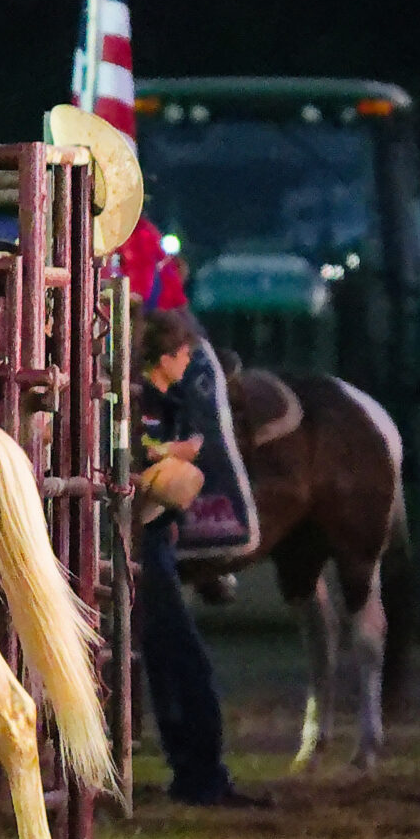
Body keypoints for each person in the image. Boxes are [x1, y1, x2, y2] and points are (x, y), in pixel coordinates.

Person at [135, 308, 267, 807]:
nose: (190, 359)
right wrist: (173, 456)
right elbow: (140, 451)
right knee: (182, 660)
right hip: (145, 542)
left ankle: (195, 770)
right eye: (184, 352)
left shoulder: (160, 398)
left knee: (172, 659)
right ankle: (201, 775)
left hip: (155, 541)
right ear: (164, 357)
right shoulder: (146, 401)